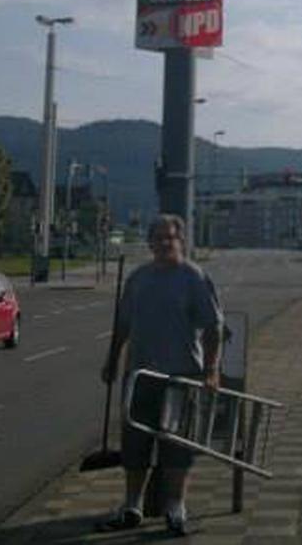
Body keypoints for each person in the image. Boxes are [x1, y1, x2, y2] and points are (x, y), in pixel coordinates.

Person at [97, 214, 224, 536]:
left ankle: (175, 507)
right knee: (135, 444)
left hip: (181, 376)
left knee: (176, 447)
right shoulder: (138, 279)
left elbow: (213, 327)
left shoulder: (194, 277)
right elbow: (123, 325)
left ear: (180, 241)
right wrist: (112, 360)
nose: (165, 243)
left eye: (170, 237)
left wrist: (211, 370)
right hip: (139, 375)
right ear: (150, 242)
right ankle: (132, 505)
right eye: (158, 238)